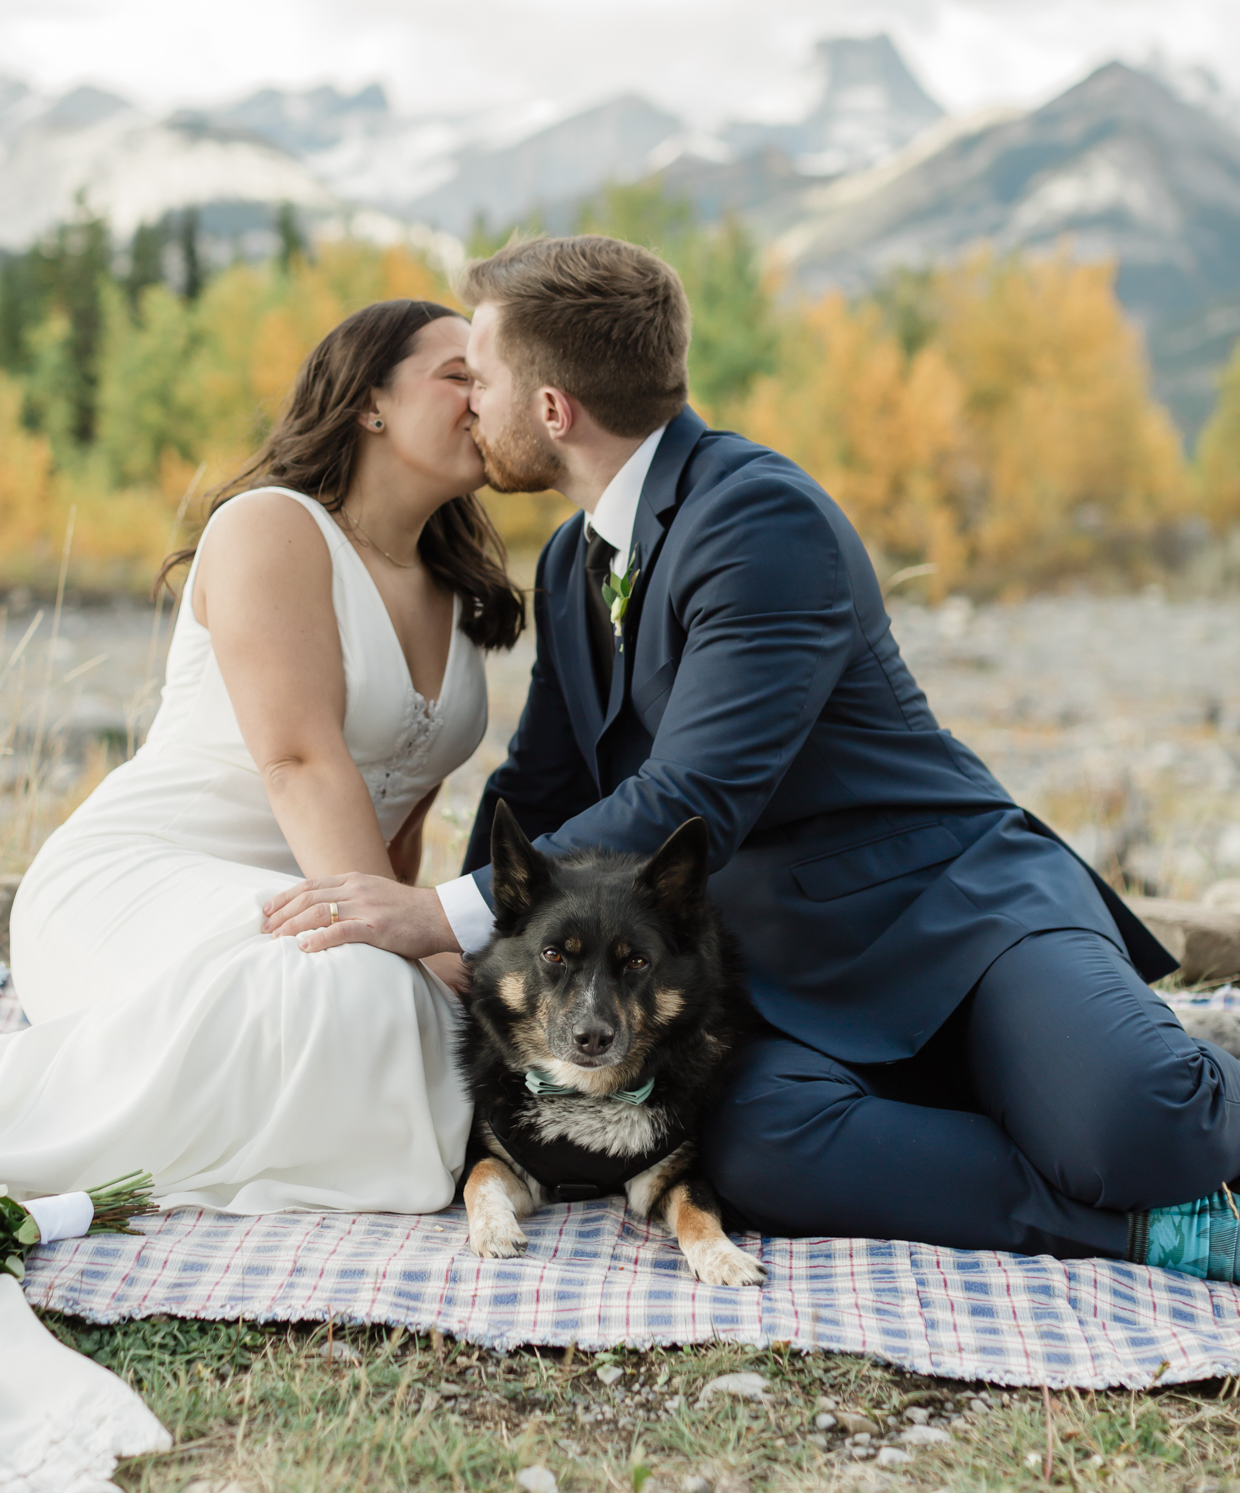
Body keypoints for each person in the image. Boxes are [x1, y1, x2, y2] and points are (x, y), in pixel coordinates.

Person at [275, 235, 1240, 1286]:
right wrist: (481, 955)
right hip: (783, 980)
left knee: (1139, 1132)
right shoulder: (570, 561)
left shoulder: (759, 518)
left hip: (949, 922)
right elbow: (537, 786)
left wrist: (433, 909)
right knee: (756, 1153)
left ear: (554, 411)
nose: (470, 404)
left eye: (486, 379)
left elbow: (697, 793)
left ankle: (1119, 1078)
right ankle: (1147, 1236)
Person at [0, 298, 522, 1215]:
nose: (481, 398)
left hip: (314, 902)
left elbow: (402, 819)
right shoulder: (273, 526)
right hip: (139, 882)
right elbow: (300, 764)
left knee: (390, 1003)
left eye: (489, 380)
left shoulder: (459, 594)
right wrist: (417, 952)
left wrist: (416, 943)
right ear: (367, 401)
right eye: (457, 375)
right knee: (367, 995)